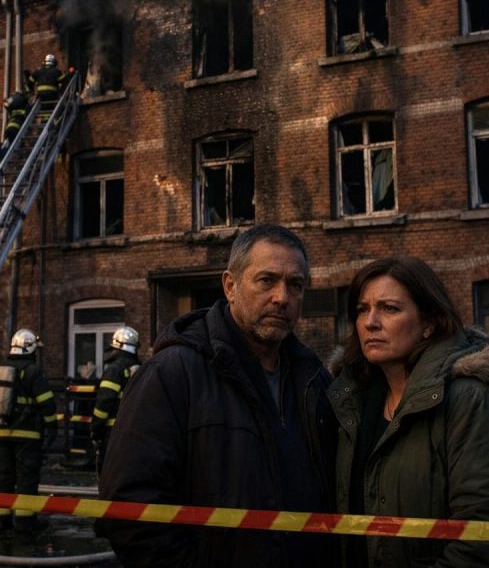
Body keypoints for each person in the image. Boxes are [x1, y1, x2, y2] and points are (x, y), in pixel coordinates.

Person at [97, 224, 338, 566]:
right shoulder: (173, 374)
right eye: (267, 280)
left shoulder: (315, 381)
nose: (282, 297)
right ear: (230, 286)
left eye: (295, 285)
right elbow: (130, 507)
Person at [328, 256, 489, 566]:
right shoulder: (352, 402)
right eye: (362, 309)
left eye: (389, 308)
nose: (370, 322)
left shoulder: (471, 403)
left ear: (429, 324)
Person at [0, 328, 58, 534]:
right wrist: (52, 427)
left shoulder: (0, 369)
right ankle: (25, 524)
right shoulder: (34, 371)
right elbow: (46, 403)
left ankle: (2, 522)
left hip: (1, 434)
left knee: (3, 479)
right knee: (26, 480)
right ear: (30, 349)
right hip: (28, 436)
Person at [90, 325, 142, 475]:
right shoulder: (142, 368)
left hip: (113, 432)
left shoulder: (115, 369)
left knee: (109, 474)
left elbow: (104, 402)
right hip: (138, 432)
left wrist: (96, 430)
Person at [27, 54, 65, 120]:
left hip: (41, 95)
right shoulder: (57, 71)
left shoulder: (39, 71)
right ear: (54, 62)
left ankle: (45, 119)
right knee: (54, 108)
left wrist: (31, 91)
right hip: (52, 95)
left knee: (43, 108)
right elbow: (64, 82)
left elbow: (29, 81)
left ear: (45, 62)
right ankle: (52, 119)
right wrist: (61, 90)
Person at [0, 90, 29, 158]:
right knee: (16, 143)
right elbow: (28, 107)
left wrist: (9, 108)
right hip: (17, 128)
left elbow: (5, 104)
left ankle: (1, 151)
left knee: (8, 143)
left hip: (9, 127)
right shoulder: (23, 99)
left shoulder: (11, 98)